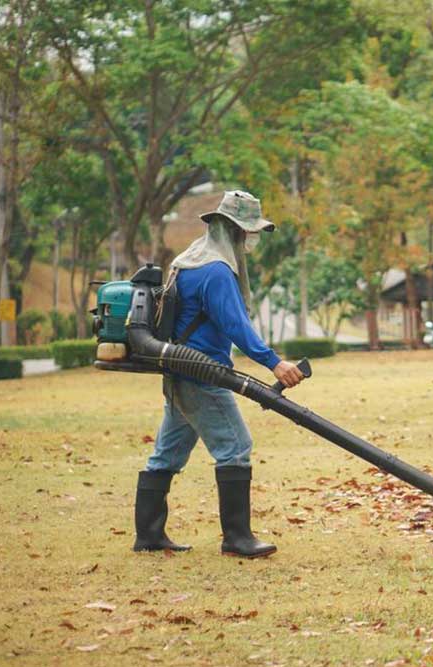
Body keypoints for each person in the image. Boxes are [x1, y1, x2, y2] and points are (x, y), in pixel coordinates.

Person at [132, 190, 305, 558]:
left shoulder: (187, 261)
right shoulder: (215, 271)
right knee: (236, 447)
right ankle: (237, 539)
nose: (249, 240)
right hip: (203, 376)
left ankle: (148, 535)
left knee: (167, 455)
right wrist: (274, 362)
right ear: (232, 230)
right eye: (247, 232)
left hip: (178, 373)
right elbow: (235, 325)